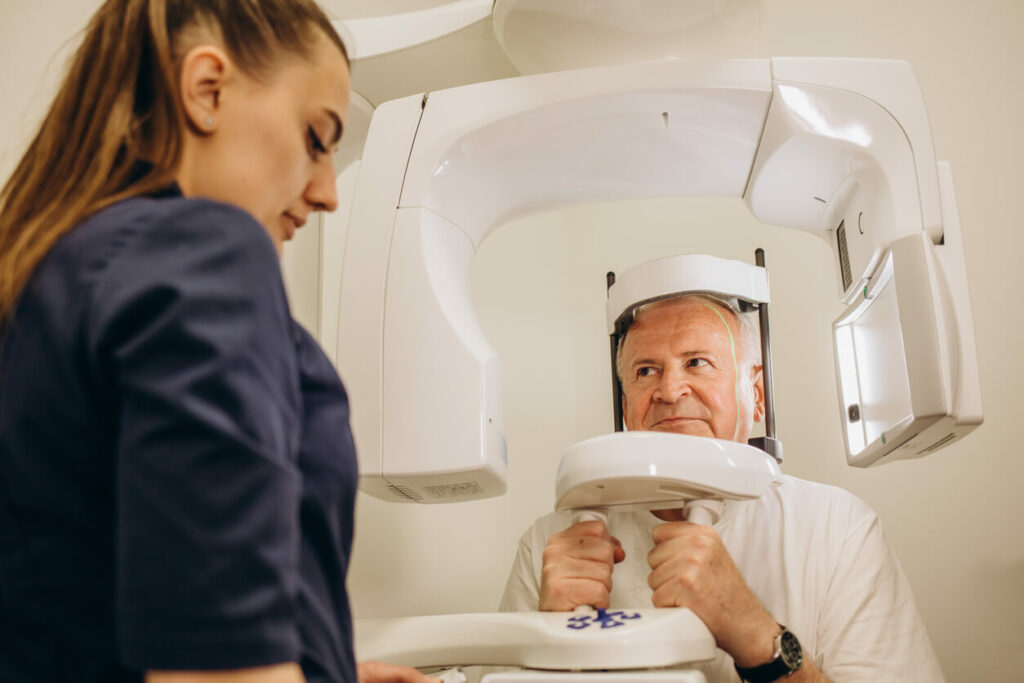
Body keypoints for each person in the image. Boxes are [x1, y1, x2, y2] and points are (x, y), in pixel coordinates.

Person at [0, 1, 434, 682]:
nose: (328, 194)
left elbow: (76, 600)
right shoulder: (206, 250)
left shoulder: (42, 273)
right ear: (207, 90)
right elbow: (215, 668)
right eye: (318, 138)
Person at [499, 294, 944, 682]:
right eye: (647, 371)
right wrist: (551, 649)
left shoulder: (836, 528)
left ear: (756, 394)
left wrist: (755, 634)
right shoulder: (549, 546)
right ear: (625, 407)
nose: (670, 390)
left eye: (697, 362)